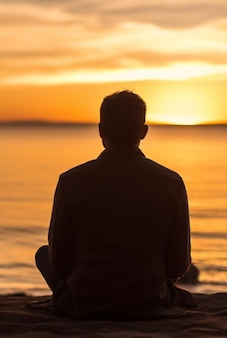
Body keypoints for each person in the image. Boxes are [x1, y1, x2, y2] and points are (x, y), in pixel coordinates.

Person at [35, 90, 196, 319]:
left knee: (44, 254)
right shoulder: (171, 182)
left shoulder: (70, 181)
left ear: (101, 130)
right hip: (148, 301)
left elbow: (60, 261)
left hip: (86, 298)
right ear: (143, 131)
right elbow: (178, 264)